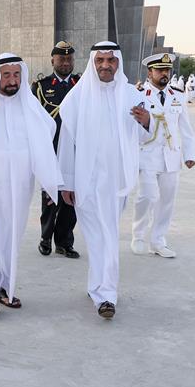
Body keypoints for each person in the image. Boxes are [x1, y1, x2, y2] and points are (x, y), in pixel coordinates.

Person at [58, 41, 151, 319]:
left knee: (107, 234)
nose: (106, 65)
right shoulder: (78, 96)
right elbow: (67, 142)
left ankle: (103, 291)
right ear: (93, 63)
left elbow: (144, 137)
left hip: (116, 180)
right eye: (100, 60)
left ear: (118, 63)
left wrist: (146, 121)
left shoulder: (132, 94)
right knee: (97, 235)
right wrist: (67, 182)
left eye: (111, 60)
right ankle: (102, 291)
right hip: (85, 179)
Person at [0, 53, 61, 317]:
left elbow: (45, 141)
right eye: (6, 75)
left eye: (16, 75)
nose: (12, 80)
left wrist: (49, 184)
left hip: (19, 186)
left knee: (11, 238)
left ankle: (6, 288)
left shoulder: (29, 105)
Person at [130, 53, 195, 258]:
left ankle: (158, 240)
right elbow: (133, 127)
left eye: (167, 70)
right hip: (147, 154)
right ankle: (138, 235)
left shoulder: (178, 95)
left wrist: (189, 154)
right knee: (148, 196)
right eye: (160, 70)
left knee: (167, 200)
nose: (164, 74)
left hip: (171, 156)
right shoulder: (138, 94)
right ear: (150, 72)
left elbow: (185, 128)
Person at [32, 41, 81, 259]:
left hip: (75, 150)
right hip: (50, 150)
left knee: (72, 199)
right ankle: (45, 238)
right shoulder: (41, 87)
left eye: (69, 58)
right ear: (53, 60)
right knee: (51, 198)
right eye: (61, 59)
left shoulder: (81, 85)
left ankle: (64, 241)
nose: (66, 62)